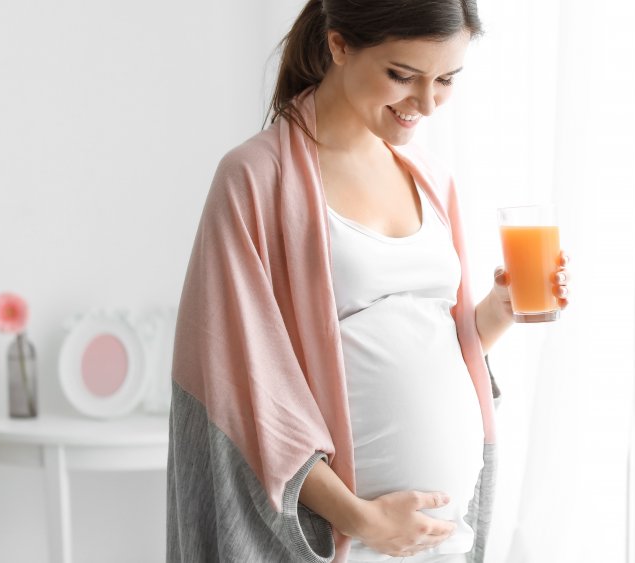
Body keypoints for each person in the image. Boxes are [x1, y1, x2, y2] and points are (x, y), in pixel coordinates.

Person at [166, 1, 571, 562]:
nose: (426, 104)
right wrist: (363, 519)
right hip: (340, 541)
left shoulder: (428, 176)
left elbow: (437, 343)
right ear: (339, 46)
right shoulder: (255, 178)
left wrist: (499, 311)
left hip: (442, 541)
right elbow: (243, 386)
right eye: (402, 76)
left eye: (446, 80)